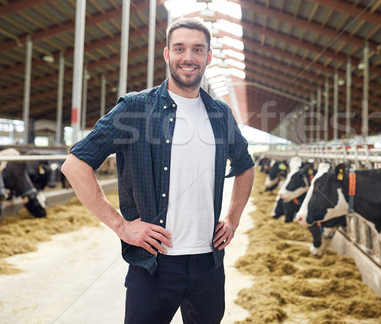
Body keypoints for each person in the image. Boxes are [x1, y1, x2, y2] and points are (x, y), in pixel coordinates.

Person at [61, 17, 255, 324]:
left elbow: (245, 166)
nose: (188, 57)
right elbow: (75, 164)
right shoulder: (135, 109)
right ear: (167, 54)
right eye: (179, 48)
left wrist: (232, 218)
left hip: (208, 265)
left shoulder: (221, 114)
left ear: (208, 57)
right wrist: (122, 226)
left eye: (197, 49)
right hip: (153, 265)